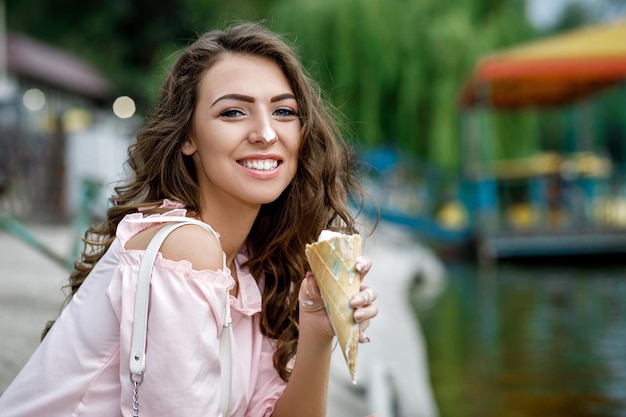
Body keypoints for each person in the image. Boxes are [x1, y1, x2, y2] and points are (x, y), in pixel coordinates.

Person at [0, 21, 379, 416]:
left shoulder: (250, 270)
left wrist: (318, 328)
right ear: (187, 136)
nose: (266, 133)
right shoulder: (185, 249)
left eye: (284, 111)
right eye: (233, 112)